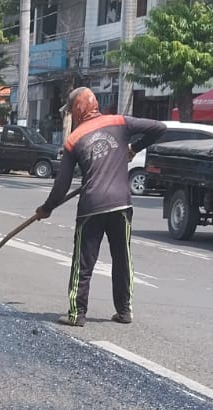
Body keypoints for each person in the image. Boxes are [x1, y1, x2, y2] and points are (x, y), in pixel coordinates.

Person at [36, 88, 166, 326]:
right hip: (121, 204)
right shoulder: (120, 122)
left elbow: (61, 185)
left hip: (91, 207)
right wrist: (134, 148)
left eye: (71, 112)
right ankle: (124, 311)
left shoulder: (74, 139)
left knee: (83, 262)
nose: (71, 117)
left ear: (78, 109)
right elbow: (159, 128)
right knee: (122, 258)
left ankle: (77, 314)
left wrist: (47, 208)